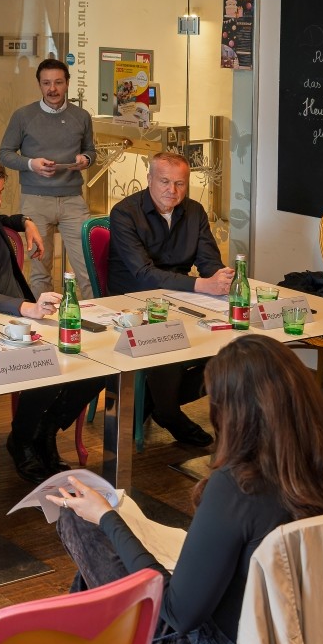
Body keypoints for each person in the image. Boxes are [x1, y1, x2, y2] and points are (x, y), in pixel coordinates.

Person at [47, 335, 323, 644]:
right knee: (108, 557)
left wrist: (106, 518)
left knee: (77, 518)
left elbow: (179, 613)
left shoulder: (239, 486)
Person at [0, 154, 111, 483]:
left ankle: (43, 430)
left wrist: (25, 220)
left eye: (0, 192)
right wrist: (26, 308)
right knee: (47, 364)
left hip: (15, 321)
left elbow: (7, 217)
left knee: (96, 363)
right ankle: (21, 439)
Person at [107, 151, 233, 446]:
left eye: (180, 184)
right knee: (168, 338)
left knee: (228, 348)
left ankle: (154, 402)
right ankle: (168, 411)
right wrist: (203, 286)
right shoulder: (125, 212)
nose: (172, 191)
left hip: (183, 297)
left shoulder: (195, 212)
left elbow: (208, 261)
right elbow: (144, 274)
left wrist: (220, 279)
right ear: (149, 179)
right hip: (133, 301)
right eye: (164, 181)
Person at [0, 57, 97, 297]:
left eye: (58, 83)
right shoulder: (23, 116)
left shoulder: (81, 116)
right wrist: (32, 164)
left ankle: (99, 317)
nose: (52, 89)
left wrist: (86, 160)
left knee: (89, 268)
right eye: (46, 83)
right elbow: (4, 154)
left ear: (67, 84)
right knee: (40, 271)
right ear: (39, 85)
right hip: (35, 200)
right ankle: (44, 323)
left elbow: (91, 151)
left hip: (73, 200)